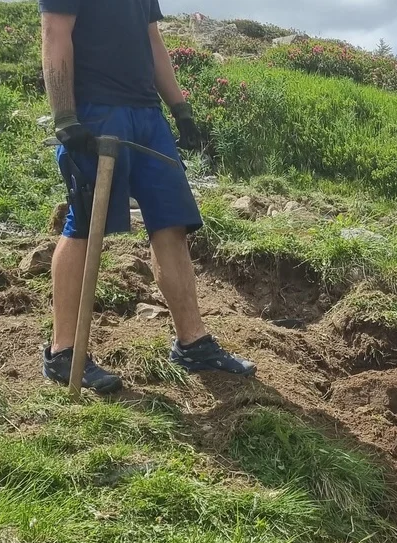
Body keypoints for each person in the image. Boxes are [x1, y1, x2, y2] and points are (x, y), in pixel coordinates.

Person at [38, 0, 255, 394]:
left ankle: (193, 343)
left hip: (147, 115)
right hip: (95, 111)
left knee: (171, 223)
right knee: (87, 225)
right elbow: (55, 32)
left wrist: (180, 107)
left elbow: (152, 40)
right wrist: (65, 116)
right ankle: (64, 352)